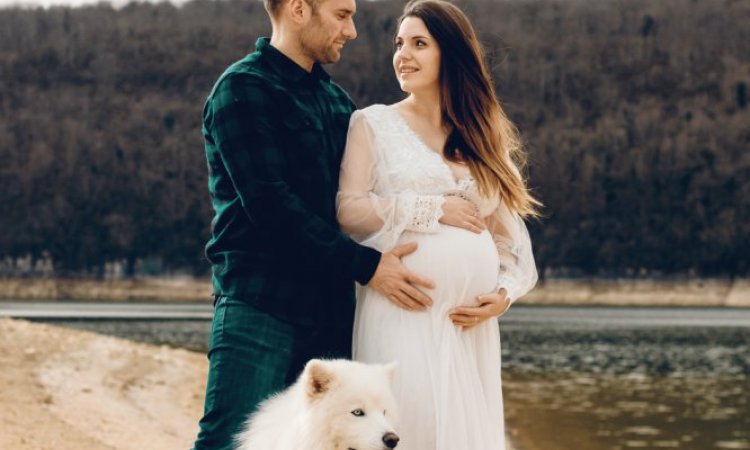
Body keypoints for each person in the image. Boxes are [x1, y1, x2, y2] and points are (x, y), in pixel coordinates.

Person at [192, 0, 437, 448]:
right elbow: (270, 206)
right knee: (229, 441)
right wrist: (368, 266)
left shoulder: (338, 102)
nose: (353, 31)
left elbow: (360, 202)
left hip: (331, 309)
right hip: (260, 303)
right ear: (300, 9)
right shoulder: (242, 89)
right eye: (342, 15)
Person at [336, 0, 540, 448]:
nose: (402, 55)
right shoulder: (372, 123)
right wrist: (430, 209)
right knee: (410, 428)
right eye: (399, 43)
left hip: (470, 329)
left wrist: (502, 296)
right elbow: (349, 210)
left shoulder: (483, 135)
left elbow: (511, 241)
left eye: (419, 44)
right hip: (404, 308)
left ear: (451, 54)